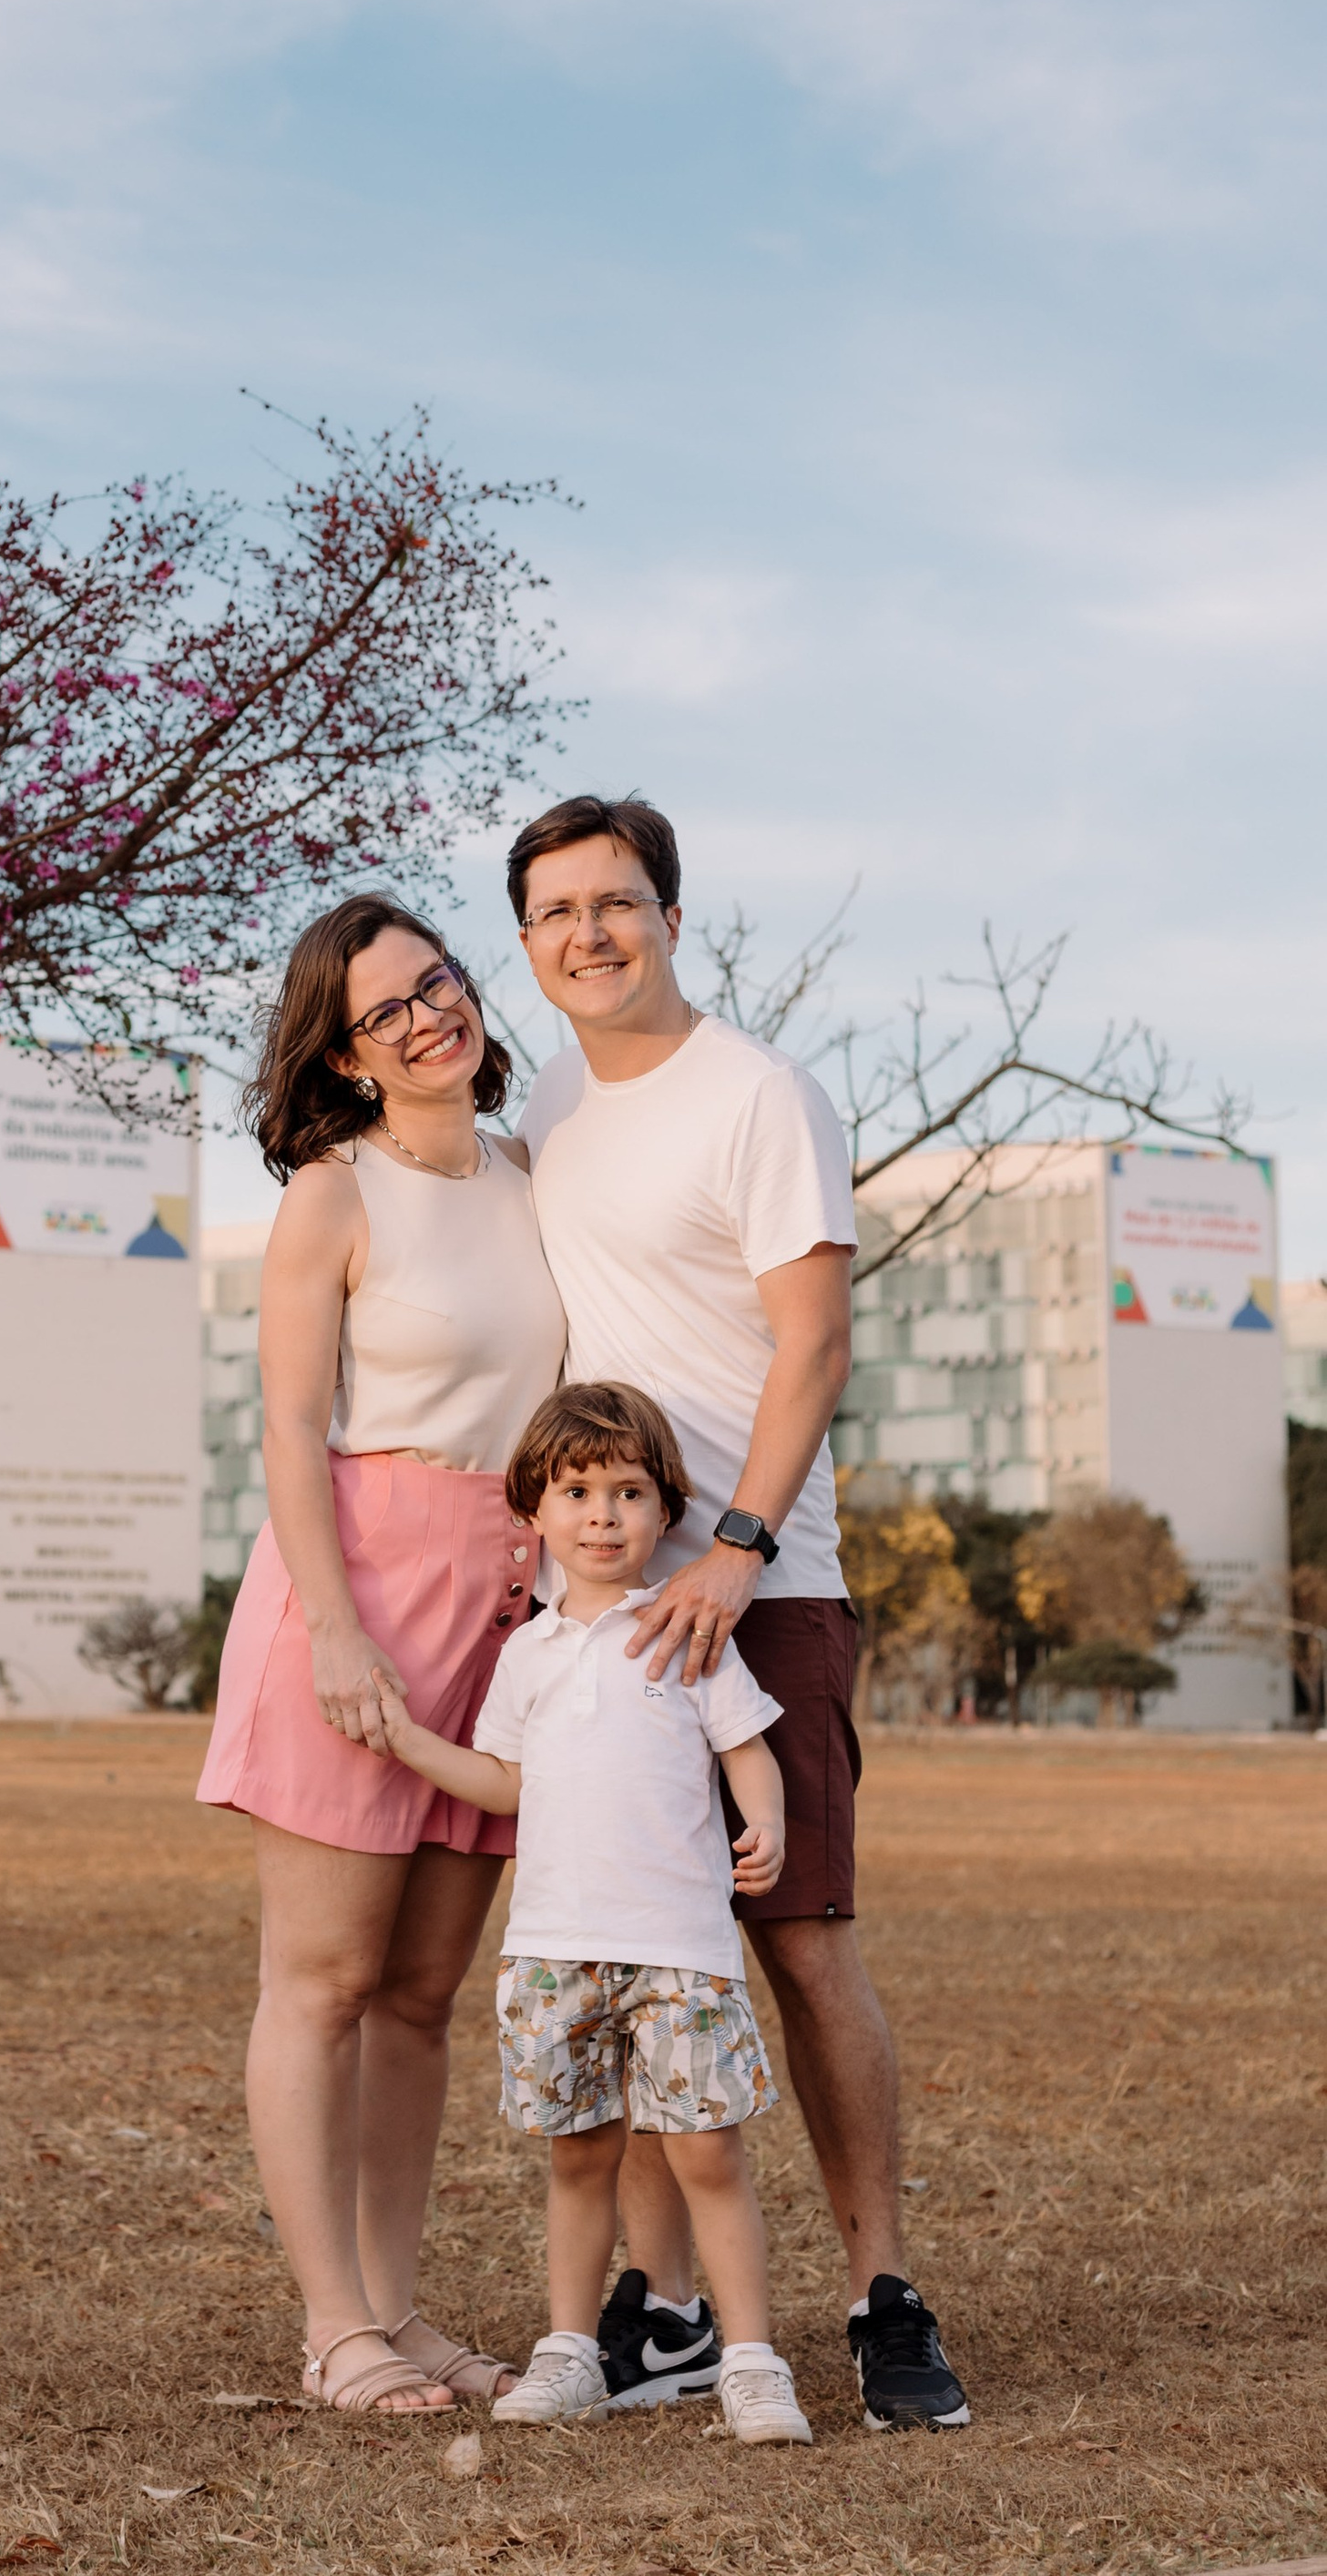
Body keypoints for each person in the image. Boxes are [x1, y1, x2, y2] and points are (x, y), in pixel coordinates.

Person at [505, 790, 970, 2433]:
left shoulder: (760, 1092)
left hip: (763, 1587)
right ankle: (671, 2314)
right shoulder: (551, 1097)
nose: (589, 933)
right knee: (628, 1941)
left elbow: (816, 1347)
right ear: (527, 941)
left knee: (803, 1940)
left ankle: (882, 2295)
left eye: (617, 901)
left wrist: (742, 1546)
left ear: (673, 917)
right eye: (555, 911)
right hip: (611, 1601)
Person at [198, 894, 567, 2414]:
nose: (430, 1018)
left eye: (439, 983)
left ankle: (400, 2313)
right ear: (345, 1060)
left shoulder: (532, 1177)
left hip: (504, 1602)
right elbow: (289, 1427)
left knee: (423, 1991)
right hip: (354, 1591)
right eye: (385, 1013)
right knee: (325, 1981)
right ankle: (333, 2326)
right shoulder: (331, 1197)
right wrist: (338, 1630)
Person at [370, 1381, 814, 2447]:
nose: (603, 1515)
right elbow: (503, 1781)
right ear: (533, 1509)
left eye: (628, 1492)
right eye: (576, 1492)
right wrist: (402, 1741)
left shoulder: (682, 1629)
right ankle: (567, 2353)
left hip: (677, 1949)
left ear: (668, 1512)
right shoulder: (525, 1653)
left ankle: (750, 2363)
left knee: (706, 2151)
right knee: (579, 2156)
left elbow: (744, 1747)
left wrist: (767, 1825)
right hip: (553, 1951)